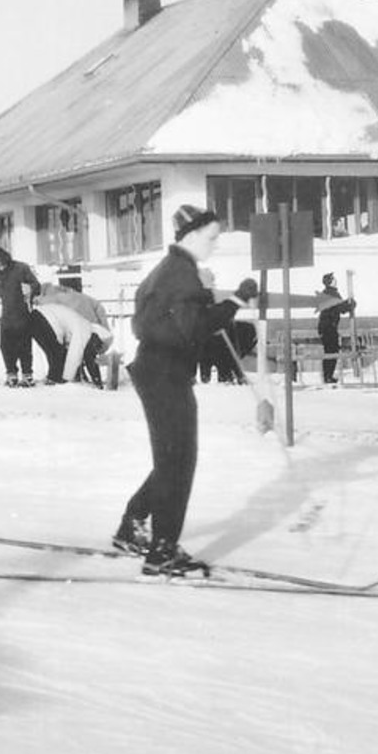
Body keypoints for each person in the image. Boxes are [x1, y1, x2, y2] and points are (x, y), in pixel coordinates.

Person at [114, 204, 259, 577]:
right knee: (179, 462)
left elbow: (150, 320)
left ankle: (133, 525)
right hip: (166, 374)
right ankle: (161, 551)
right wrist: (234, 302)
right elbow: (194, 329)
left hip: (155, 369)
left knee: (171, 458)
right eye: (211, 238)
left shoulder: (166, 271)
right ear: (191, 236)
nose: (214, 245)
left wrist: (210, 302)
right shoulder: (182, 276)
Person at [0, 245, 43, 387]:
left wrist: (31, 288)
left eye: (1, 262)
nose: (0, 266)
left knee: (24, 345)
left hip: (23, 312)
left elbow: (37, 286)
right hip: (7, 314)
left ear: (6, 257)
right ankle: (11, 374)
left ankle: (27, 376)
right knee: (5, 346)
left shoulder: (21, 268)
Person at [33, 298, 112, 387]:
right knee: (57, 352)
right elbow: (75, 354)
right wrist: (68, 379)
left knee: (54, 352)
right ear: (97, 337)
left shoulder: (84, 328)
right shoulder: (85, 330)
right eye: (98, 346)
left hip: (38, 316)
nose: (95, 348)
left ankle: (53, 378)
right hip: (45, 318)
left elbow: (87, 356)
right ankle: (55, 380)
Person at [314, 272, 357, 384]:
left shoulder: (328, 293)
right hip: (329, 328)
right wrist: (351, 305)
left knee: (330, 351)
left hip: (327, 327)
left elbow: (339, 306)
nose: (335, 281)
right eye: (333, 279)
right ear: (330, 282)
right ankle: (328, 376)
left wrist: (348, 304)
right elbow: (340, 308)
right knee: (331, 351)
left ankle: (328, 375)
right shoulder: (331, 293)